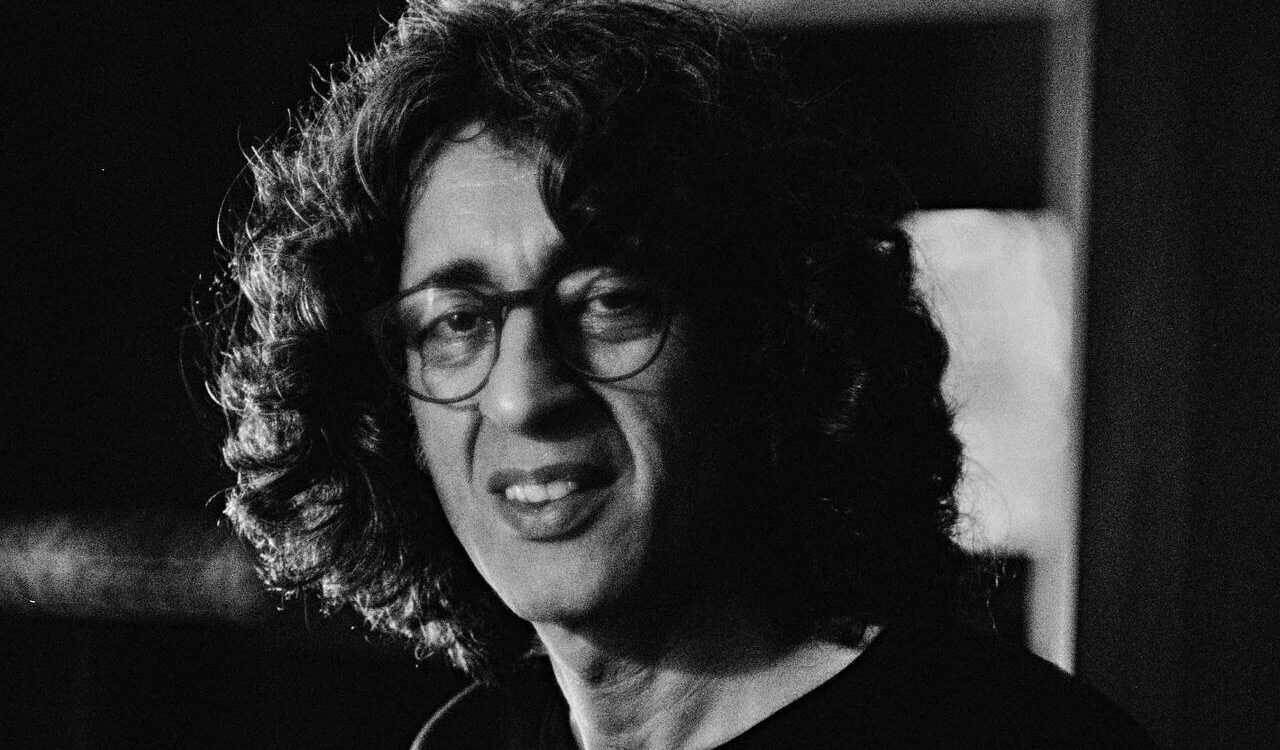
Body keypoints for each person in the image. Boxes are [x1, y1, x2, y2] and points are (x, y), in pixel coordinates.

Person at [213, 1, 1157, 747]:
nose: (523, 394)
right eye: (457, 322)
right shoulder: (472, 741)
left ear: (763, 340)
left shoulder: (1009, 737)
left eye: (608, 301)